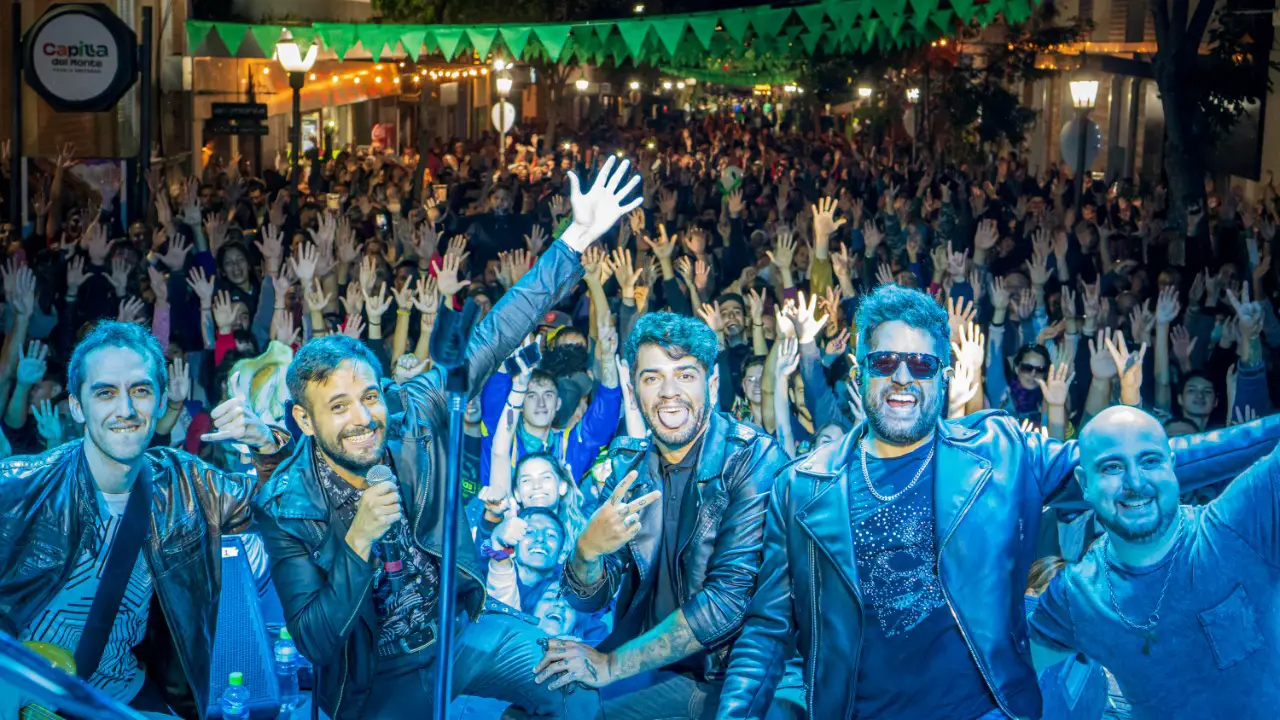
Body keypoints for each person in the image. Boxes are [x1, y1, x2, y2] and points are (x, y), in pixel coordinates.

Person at [717, 284, 1280, 719]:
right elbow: (767, 629)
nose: (903, 378)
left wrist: (1270, 432)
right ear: (860, 372)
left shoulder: (1002, 452)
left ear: (943, 375)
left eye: (921, 364)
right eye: (886, 362)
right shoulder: (803, 485)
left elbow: (1128, 461)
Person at [249, 156, 641, 720]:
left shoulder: (413, 412)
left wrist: (575, 237)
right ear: (305, 421)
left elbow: (496, 332)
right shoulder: (286, 503)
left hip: (458, 631)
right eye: (338, 407)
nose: (364, 418)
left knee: (573, 689)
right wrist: (358, 540)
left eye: (369, 397)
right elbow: (315, 639)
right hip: (378, 676)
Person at [0, 321, 287, 719]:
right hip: (30, 702)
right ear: (78, 406)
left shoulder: (186, 484)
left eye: (140, 390)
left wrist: (267, 445)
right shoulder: (19, 489)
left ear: (162, 400)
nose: (126, 410)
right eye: (105, 393)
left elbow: (282, 509)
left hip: (126, 697)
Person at [536, 311, 790, 720]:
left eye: (685, 375)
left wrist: (611, 664)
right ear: (634, 391)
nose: (670, 392)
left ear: (711, 383)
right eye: (652, 378)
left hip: (725, 676)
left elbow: (726, 603)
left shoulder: (753, 459)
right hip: (650, 667)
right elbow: (589, 600)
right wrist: (586, 551)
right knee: (532, 702)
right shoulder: (628, 466)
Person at [1029, 405, 1280, 719]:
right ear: (1084, 483)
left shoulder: (1239, 524)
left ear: (1172, 466)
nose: (1135, 482)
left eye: (1150, 461)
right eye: (1111, 467)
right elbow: (1007, 680)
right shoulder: (1076, 595)